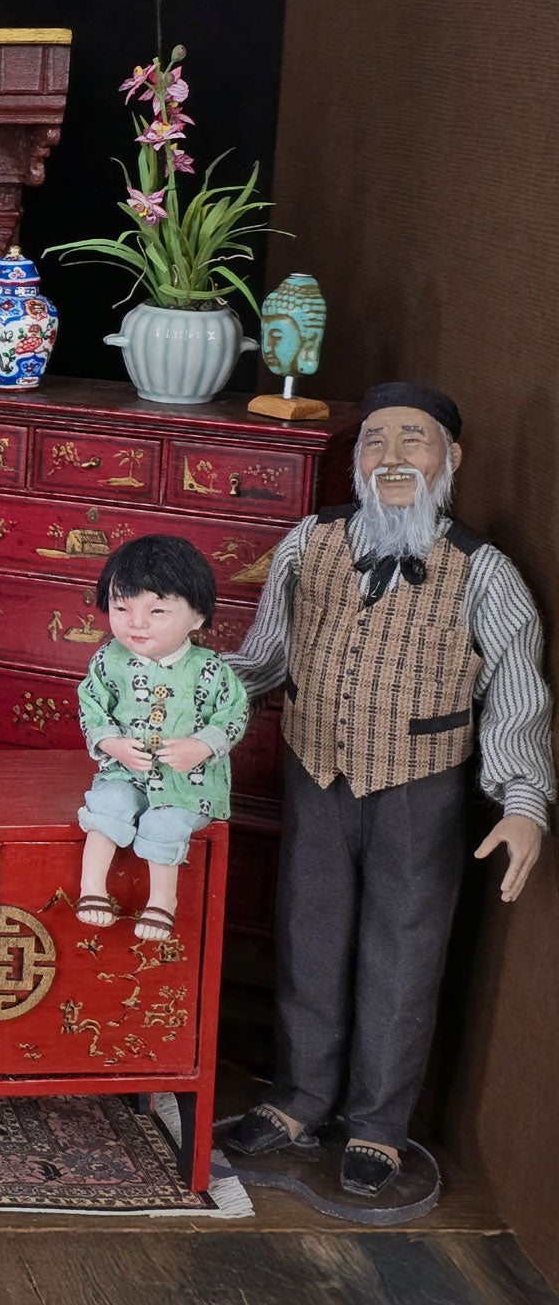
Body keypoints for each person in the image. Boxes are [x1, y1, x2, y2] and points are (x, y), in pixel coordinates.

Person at [223, 382, 552, 1198]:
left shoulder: (485, 572)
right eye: (376, 442)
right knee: (310, 937)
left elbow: (518, 693)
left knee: (402, 958)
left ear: (452, 460)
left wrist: (523, 805)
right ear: (356, 460)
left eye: (415, 440)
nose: (394, 458)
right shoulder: (310, 545)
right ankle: (300, 1100)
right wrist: (183, 691)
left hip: (420, 792)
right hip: (317, 773)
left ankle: (377, 1125)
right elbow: (263, 657)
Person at [74, 535, 248, 942]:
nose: (136, 623)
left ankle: (162, 901)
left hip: (188, 785)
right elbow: (91, 706)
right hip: (125, 773)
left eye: (157, 611)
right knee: (107, 803)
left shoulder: (210, 670)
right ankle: (91, 889)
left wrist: (201, 746)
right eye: (122, 608)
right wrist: (112, 744)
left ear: (197, 617)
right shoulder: (107, 660)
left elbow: (233, 713)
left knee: (164, 821)